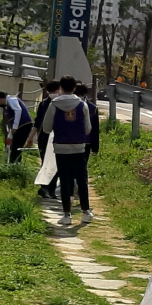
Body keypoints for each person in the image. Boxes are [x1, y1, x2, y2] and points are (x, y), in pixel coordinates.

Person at [48, 75, 94, 227]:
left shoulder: (53, 104)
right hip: (79, 147)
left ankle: (66, 215)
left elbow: (47, 127)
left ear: (60, 88)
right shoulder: (82, 105)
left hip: (61, 147)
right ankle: (85, 212)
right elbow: (88, 128)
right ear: (74, 88)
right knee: (81, 179)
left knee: (65, 179)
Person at [34, 79, 60, 197]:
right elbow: (38, 121)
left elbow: (37, 122)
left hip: (50, 136)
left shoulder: (48, 103)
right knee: (47, 163)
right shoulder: (45, 104)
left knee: (56, 164)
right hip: (47, 137)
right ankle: (45, 188)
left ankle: (51, 189)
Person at [0, 89, 32, 163]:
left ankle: (15, 165)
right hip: (20, 126)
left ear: (0, 98)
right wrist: (9, 136)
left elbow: (18, 110)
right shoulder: (9, 103)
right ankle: (13, 164)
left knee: (17, 147)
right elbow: (13, 120)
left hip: (24, 125)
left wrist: (14, 127)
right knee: (15, 147)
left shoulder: (11, 99)